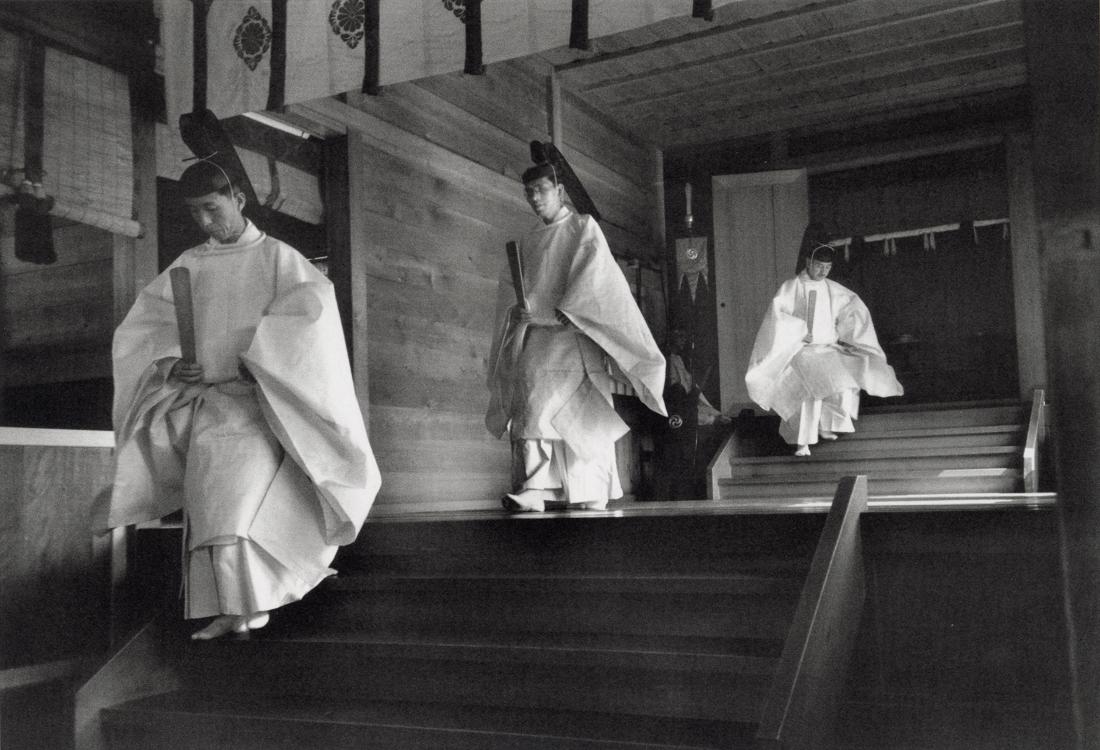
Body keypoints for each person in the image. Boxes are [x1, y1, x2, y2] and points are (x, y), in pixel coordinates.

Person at [104, 157, 380, 640]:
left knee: (237, 507)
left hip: (261, 406)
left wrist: (261, 359)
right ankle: (234, 609)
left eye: (212, 208)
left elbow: (310, 318)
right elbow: (146, 329)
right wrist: (173, 362)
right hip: (209, 405)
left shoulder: (279, 259)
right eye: (195, 214)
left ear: (238, 200)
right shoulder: (189, 265)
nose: (205, 222)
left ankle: (251, 606)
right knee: (211, 508)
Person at [486, 162, 667, 511]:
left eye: (541, 189)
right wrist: (517, 311)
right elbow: (511, 291)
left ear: (560, 191)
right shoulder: (526, 241)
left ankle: (592, 489)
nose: (534, 198)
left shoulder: (584, 228)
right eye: (528, 192)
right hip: (536, 339)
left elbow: (597, 278)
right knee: (533, 409)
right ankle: (536, 487)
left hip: (575, 336)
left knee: (582, 417)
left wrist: (572, 310)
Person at [745, 235, 902, 456]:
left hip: (827, 349)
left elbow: (851, 307)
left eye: (827, 267)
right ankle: (803, 442)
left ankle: (828, 425)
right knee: (810, 393)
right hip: (802, 350)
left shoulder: (832, 288)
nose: (823, 271)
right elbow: (778, 317)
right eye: (819, 266)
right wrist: (798, 332)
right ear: (808, 262)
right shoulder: (792, 287)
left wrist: (847, 334)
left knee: (846, 380)